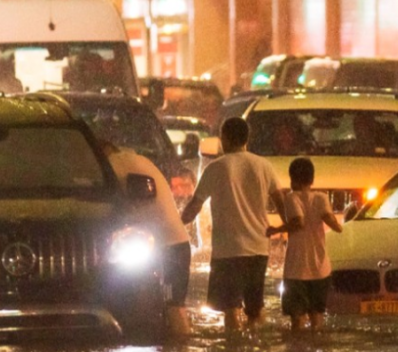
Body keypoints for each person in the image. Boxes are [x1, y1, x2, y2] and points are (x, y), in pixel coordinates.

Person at [181, 117, 286, 331]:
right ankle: (257, 350)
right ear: (247, 139)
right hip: (259, 249)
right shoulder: (264, 166)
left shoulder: (217, 168)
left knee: (230, 310)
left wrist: (175, 225)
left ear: (225, 138)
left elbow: (195, 206)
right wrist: (288, 229)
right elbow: (282, 204)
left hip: (228, 252)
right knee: (255, 310)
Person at [102, 142, 193, 336]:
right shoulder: (138, 159)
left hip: (168, 248)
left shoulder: (113, 165)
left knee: (173, 306)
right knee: (171, 306)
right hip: (172, 245)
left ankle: (180, 350)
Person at [266, 157, 342, 332]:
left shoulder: (292, 198)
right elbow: (333, 224)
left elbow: (298, 222)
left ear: (293, 179)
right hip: (321, 268)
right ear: (312, 179)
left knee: (297, 320)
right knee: (317, 318)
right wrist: (340, 225)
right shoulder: (322, 197)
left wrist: (275, 230)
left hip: (297, 270)